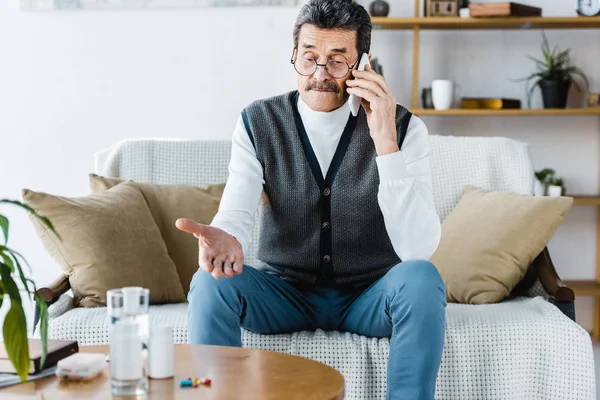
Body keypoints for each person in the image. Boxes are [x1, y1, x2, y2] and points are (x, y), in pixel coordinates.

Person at [176, 0, 446, 398]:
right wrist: (227, 234)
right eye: (309, 58)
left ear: (364, 63)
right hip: (284, 294)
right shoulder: (259, 122)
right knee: (210, 283)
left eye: (338, 61)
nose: (320, 75)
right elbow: (237, 205)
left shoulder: (405, 129)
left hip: (368, 297)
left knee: (422, 279)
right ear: (294, 56)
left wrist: (386, 142)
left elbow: (419, 249)